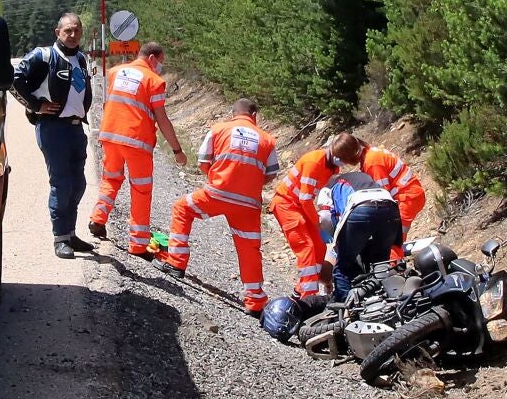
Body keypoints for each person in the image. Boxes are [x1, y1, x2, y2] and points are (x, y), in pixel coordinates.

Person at [158, 99, 280, 314]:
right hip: (249, 203)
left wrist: (218, 178)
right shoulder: (267, 139)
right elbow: (271, 174)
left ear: (233, 113)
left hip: (216, 194)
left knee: (182, 208)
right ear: (254, 115)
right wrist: (248, 183)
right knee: (249, 248)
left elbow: (203, 161)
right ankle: (255, 301)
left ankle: (176, 263)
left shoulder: (219, 129)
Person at [12, 13, 97, 259]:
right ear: (57, 32)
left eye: (77, 30)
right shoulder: (43, 56)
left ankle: (70, 233)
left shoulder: (81, 58)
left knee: (78, 184)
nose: (73, 35)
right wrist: (35, 105)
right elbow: (14, 81)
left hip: (75, 129)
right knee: (62, 183)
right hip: (53, 128)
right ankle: (60, 239)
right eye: (68, 30)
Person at [89, 42, 187, 252]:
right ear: (151, 58)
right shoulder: (154, 81)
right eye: (160, 62)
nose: (160, 66)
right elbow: (162, 118)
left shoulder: (115, 72)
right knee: (141, 190)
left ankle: (97, 218)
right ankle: (138, 244)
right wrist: (177, 150)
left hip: (110, 136)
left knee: (111, 179)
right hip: (136, 141)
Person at [266, 132, 359, 300]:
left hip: (300, 206)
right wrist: (317, 222)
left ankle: (302, 290)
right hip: (286, 204)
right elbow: (305, 198)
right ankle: (307, 296)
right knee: (306, 247)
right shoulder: (314, 162)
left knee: (319, 246)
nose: (343, 163)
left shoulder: (332, 167)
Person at [314, 170, 401, 300]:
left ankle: (343, 305)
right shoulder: (359, 177)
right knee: (381, 263)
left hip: (361, 206)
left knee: (343, 267)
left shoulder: (328, 188)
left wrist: (338, 241)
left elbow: (326, 217)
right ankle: (386, 299)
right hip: (390, 207)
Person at [337, 137, 428, 258]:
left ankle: (393, 266)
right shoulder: (370, 155)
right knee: (389, 238)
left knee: (391, 241)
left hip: (407, 198)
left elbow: (381, 196)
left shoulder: (372, 162)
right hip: (408, 196)